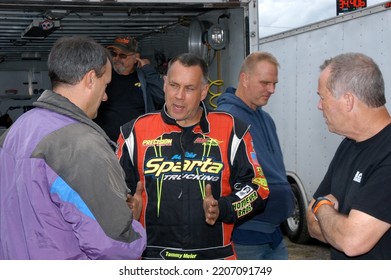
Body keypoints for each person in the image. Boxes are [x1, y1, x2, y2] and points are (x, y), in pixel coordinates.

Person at [0, 36, 146, 260]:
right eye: (105, 85)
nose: (106, 96)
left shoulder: (18, 128)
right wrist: (133, 223)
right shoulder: (81, 145)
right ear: (90, 79)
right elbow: (111, 245)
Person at [116, 53, 270, 260]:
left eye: (189, 88)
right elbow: (113, 190)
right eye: (173, 85)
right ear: (164, 85)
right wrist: (125, 209)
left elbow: (258, 188)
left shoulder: (231, 129)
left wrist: (223, 207)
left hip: (215, 257)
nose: (179, 95)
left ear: (204, 91)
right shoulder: (134, 131)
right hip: (153, 256)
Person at [306, 52, 391, 259]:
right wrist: (337, 226)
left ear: (348, 101)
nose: (319, 106)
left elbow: (352, 242)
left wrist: (323, 206)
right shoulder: (348, 145)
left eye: (322, 97)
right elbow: (310, 223)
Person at [217, 52, 295, 260]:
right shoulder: (226, 119)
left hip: (274, 233)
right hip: (244, 236)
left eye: (274, 83)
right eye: (265, 83)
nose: (272, 90)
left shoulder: (266, 118)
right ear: (244, 79)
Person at [94, 35, 165, 142]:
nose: (117, 58)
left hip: (136, 143)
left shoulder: (143, 78)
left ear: (136, 57)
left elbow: (163, 96)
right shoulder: (103, 76)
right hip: (104, 143)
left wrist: (148, 70)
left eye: (122, 55)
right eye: (114, 54)